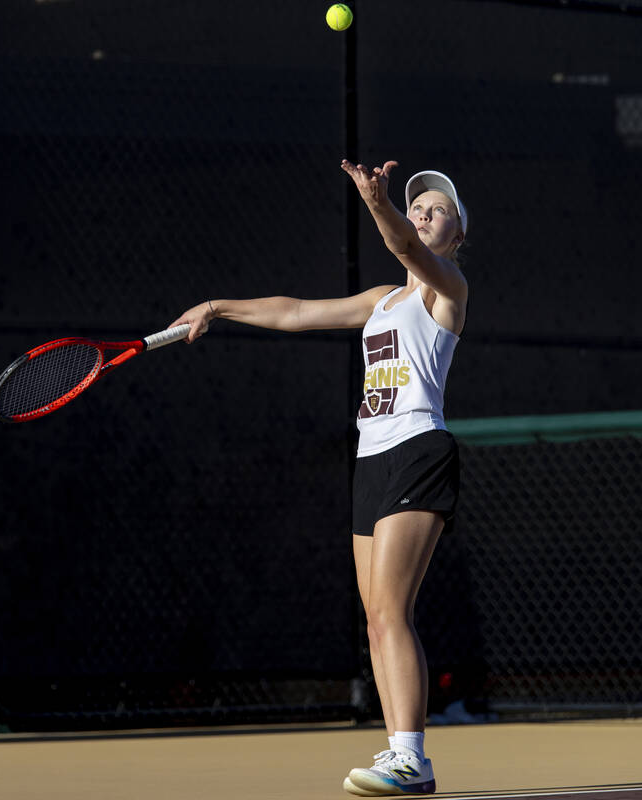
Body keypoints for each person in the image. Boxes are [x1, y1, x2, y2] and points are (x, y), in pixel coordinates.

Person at [169, 160, 468, 796]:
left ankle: (415, 758)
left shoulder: (448, 289)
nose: (423, 212)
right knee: (374, 619)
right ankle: (398, 753)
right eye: (418, 204)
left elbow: (402, 244)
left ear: (458, 235)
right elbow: (298, 312)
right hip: (372, 459)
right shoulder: (380, 302)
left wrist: (377, 202)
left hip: (420, 449)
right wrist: (220, 307)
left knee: (392, 609)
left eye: (437, 208)